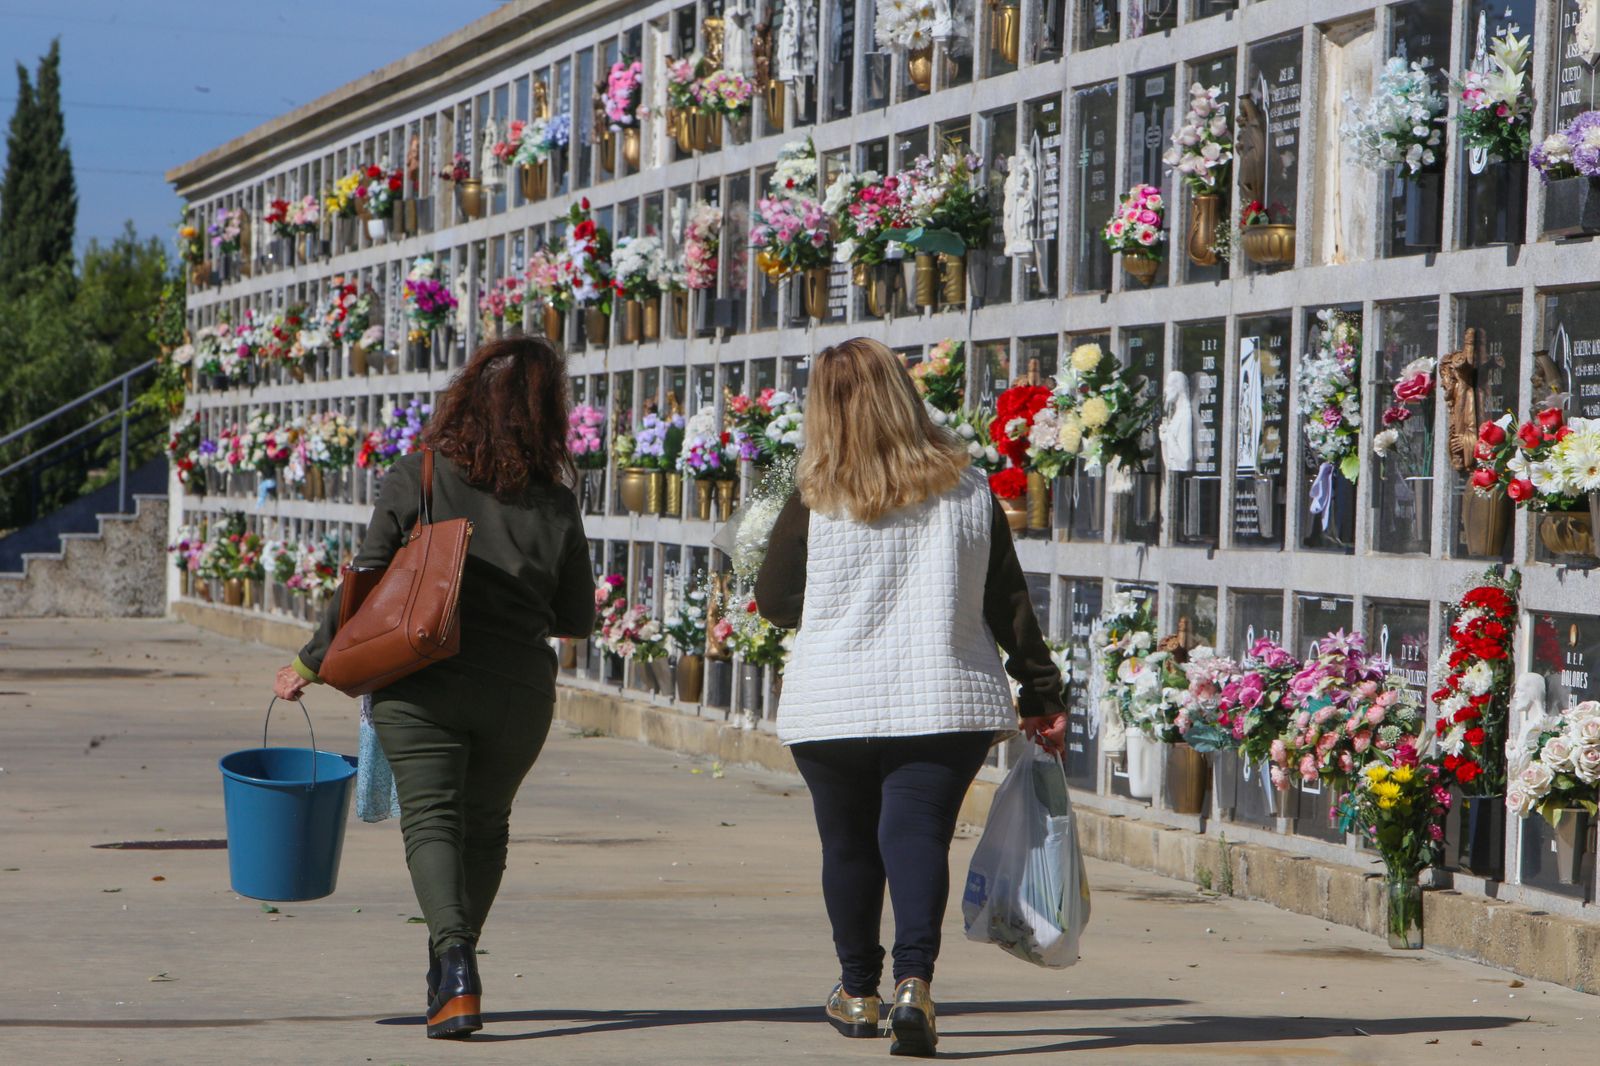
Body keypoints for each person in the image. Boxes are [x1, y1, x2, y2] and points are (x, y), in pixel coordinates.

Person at [273, 335, 596, 1040]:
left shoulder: (417, 475)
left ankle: (453, 967)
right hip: (518, 695)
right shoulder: (558, 504)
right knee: (486, 826)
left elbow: (362, 582)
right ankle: (452, 973)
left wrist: (309, 663)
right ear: (548, 415)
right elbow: (576, 618)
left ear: (468, 398)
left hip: (423, 680)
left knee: (433, 821)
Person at [755, 337, 1066, 1058]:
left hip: (833, 704)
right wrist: (1040, 693)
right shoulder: (967, 489)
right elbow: (1009, 603)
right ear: (902, 394)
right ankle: (914, 985)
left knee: (849, 844)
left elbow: (774, 601)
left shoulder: (815, 498)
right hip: (942, 697)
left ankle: (857, 990)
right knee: (917, 834)